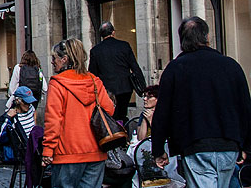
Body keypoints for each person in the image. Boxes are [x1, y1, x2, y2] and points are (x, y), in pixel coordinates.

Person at [152, 17, 251, 188]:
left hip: (196, 144)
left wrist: (158, 149)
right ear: (207, 37)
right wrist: (246, 146)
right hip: (228, 145)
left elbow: (162, 113)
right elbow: (245, 108)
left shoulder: (175, 68)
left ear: (182, 40)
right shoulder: (231, 66)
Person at [42, 38, 115, 188]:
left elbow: (53, 121)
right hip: (95, 151)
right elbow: (109, 110)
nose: (52, 62)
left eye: (54, 58)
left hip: (67, 153)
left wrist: (48, 150)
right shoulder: (94, 81)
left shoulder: (58, 83)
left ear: (64, 59)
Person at [88, 22, 145, 122]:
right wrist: (143, 87)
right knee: (122, 113)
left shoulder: (96, 51)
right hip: (124, 87)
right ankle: (123, 127)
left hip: (107, 89)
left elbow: (92, 73)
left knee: (110, 115)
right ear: (113, 32)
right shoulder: (124, 46)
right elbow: (135, 67)